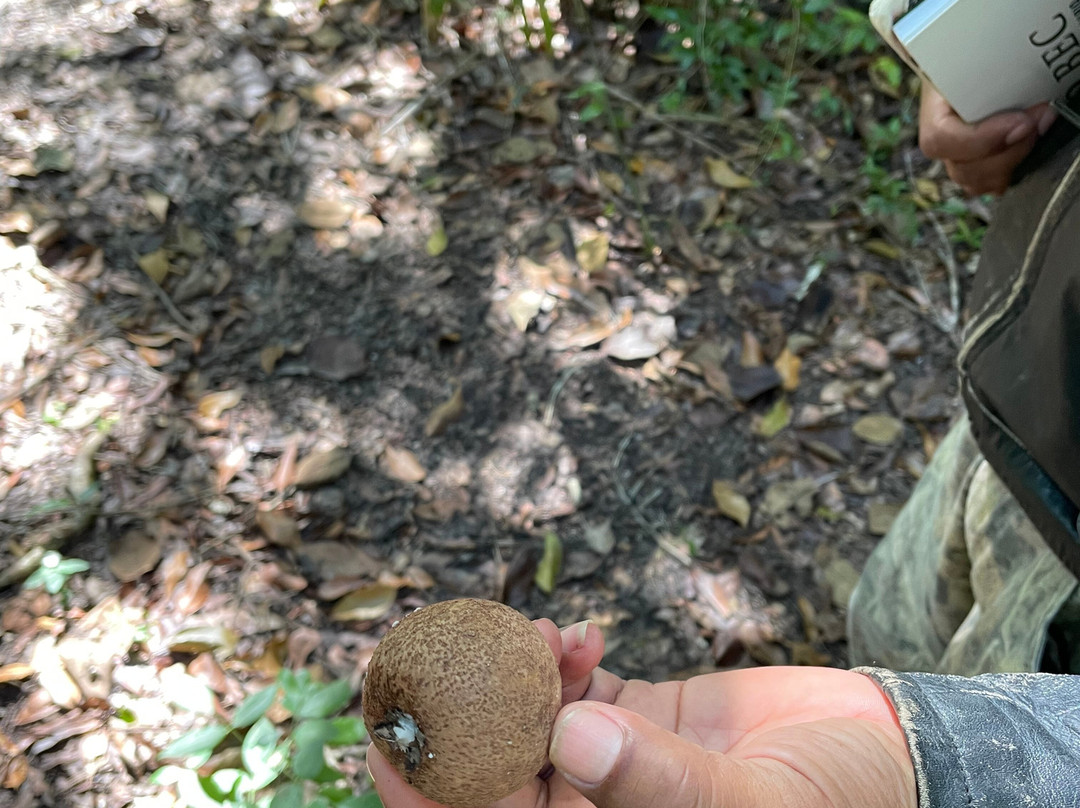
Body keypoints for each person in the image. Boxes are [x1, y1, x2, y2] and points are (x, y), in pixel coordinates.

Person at [368, 75, 1080, 808]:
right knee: (888, 625)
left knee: (988, 668)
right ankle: (864, 712)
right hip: (1018, 399)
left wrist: (925, 771)